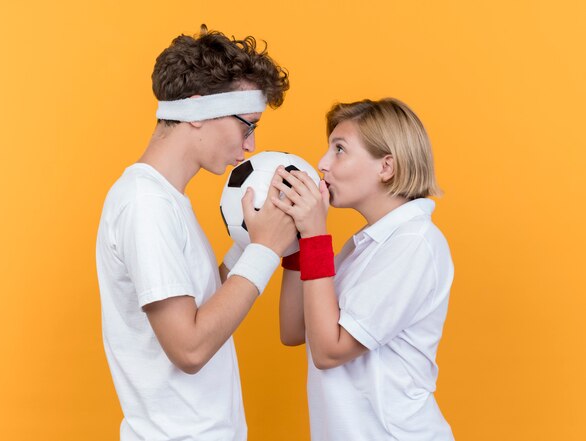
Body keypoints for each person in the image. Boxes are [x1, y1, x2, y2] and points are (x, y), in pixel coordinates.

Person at [96, 25, 296, 441]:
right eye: (247, 125)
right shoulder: (145, 204)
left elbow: (203, 306)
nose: (251, 145)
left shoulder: (165, 200)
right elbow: (189, 348)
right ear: (198, 110)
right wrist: (264, 251)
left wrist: (249, 246)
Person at [273, 98, 455, 440]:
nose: (322, 163)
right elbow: (295, 330)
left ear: (386, 167)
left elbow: (329, 351)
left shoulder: (414, 243)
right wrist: (299, 243)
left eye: (340, 149)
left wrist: (314, 234)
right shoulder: (364, 246)